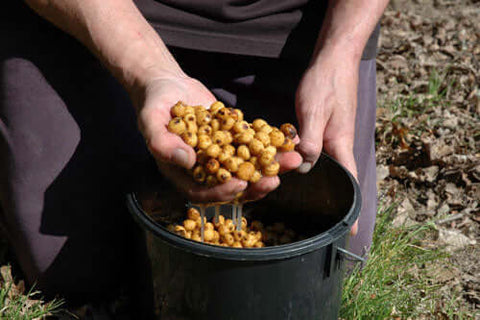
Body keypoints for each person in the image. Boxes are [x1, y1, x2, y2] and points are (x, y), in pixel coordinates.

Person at [0, 0, 388, 317]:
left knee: (330, 250)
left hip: (291, 25)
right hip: (102, 15)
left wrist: (340, 52)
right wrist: (148, 69)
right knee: (74, 266)